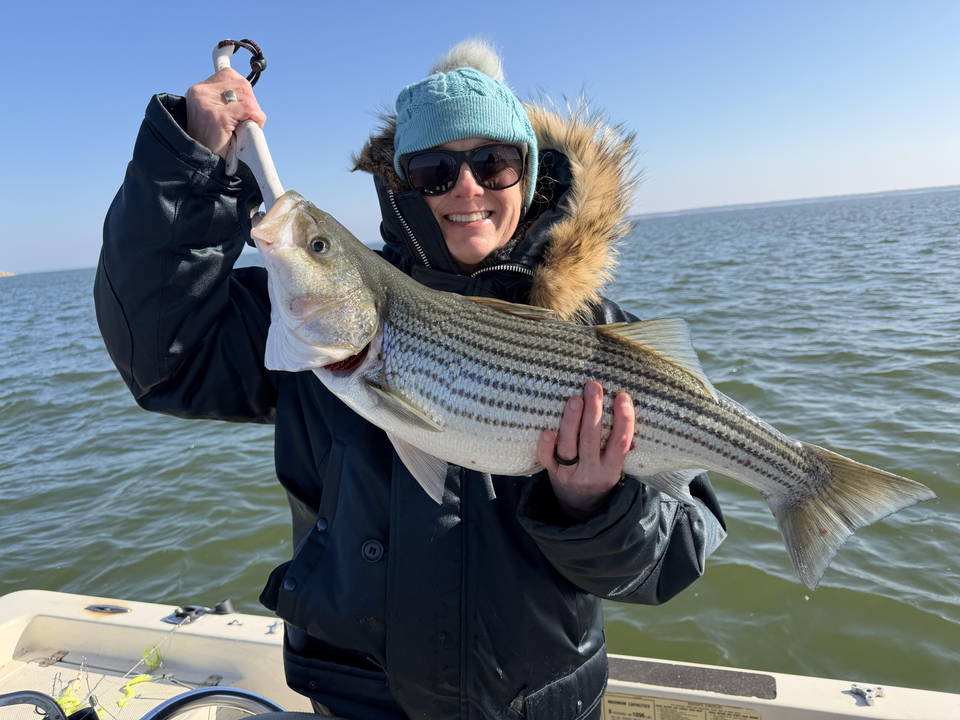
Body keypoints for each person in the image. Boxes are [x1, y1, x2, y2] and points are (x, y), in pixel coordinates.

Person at [95, 39, 725, 720]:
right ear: (400, 183)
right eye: (433, 170)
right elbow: (164, 356)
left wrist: (595, 507)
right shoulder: (302, 329)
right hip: (358, 697)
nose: (467, 188)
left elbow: (675, 555)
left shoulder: (602, 333)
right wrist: (190, 165)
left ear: (527, 174)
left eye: (494, 162)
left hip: (539, 704)